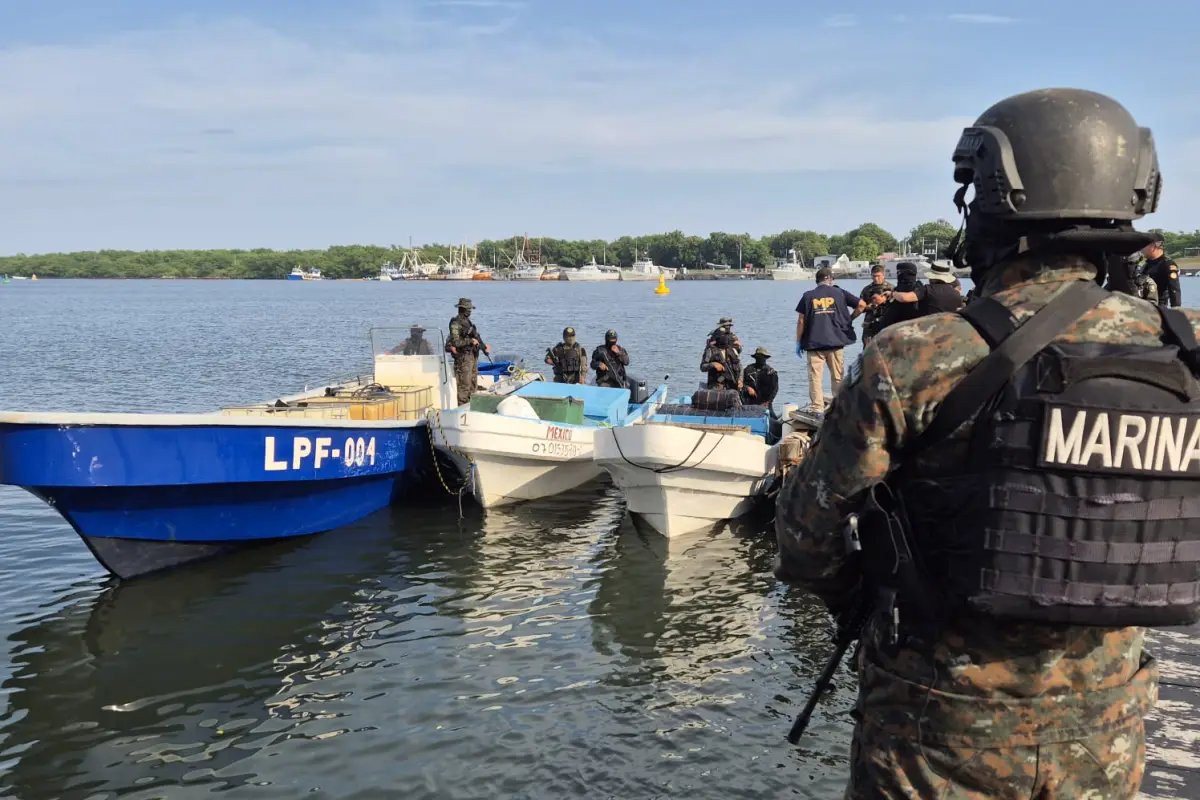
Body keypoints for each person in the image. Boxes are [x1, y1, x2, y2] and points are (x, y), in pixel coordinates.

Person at [776, 88, 1185, 798]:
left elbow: (807, 538)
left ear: (991, 196)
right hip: (1109, 722)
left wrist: (871, 599)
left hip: (935, 730)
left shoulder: (915, 355)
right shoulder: (1186, 351)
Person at [795, 268, 866, 411]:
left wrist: (798, 341)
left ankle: (816, 406)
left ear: (817, 280)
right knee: (838, 376)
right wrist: (849, 320)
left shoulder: (808, 296)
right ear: (830, 279)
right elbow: (862, 305)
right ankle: (839, 406)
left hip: (814, 344)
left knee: (815, 377)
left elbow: (801, 321)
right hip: (836, 342)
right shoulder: (839, 292)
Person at [445, 298, 489, 405]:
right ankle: (462, 409)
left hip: (472, 356)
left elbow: (477, 337)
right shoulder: (455, 323)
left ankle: (471, 407)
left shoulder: (468, 323)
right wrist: (470, 341)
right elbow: (456, 342)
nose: (470, 312)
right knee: (464, 386)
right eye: (468, 309)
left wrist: (483, 347)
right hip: (463, 358)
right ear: (462, 309)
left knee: (472, 384)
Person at [888, 262, 965, 316]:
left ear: (932, 277)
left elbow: (904, 298)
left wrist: (892, 294)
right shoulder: (956, 293)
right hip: (948, 330)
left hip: (929, 329)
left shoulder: (927, 289)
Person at [858, 265, 894, 345]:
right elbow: (861, 307)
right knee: (868, 348)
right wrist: (870, 306)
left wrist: (885, 301)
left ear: (883, 275)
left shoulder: (891, 289)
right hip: (869, 324)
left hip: (886, 323)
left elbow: (896, 307)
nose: (876, 279)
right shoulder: (866, 290)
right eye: (874, 276)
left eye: (878, 276)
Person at [1142, 233, 1181, 306]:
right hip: (1144, 307)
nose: (1142, 248)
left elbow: (1174, 291)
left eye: (1145, 245)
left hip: (1159, 308)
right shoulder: (1146, 265)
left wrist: (1176, 312)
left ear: (1154, 246)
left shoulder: (1168, 265)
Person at [700, 325, 742, 391]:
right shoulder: (710, 350)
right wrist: (713, 364)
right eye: (723, 336)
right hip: (717, 385)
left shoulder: (733, 350)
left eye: (726, 336)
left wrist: (740, 380)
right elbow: (702, 367)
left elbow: (740, 366)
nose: (725, 338)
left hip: (733, 385)